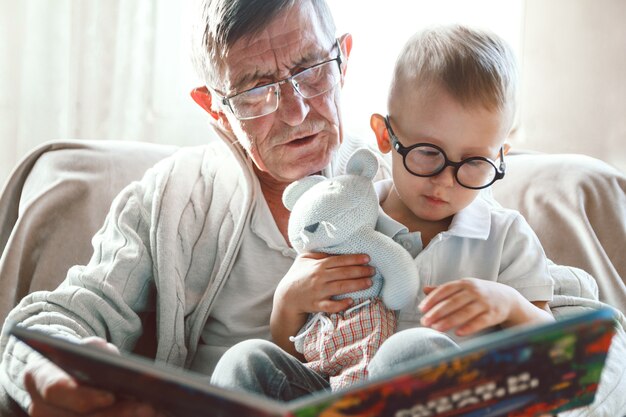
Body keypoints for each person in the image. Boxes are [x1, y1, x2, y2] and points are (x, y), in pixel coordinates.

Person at [0, 0, 375, 415]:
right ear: (213, 106)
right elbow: (48, 322)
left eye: (311, 71)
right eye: (255, 90)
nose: (296, 111)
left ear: (343, 61)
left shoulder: (411, 180)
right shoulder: (172, 199)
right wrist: (49, 373)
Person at [213, 24, 555, 396]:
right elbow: (295, 348)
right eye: (427, 153)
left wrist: (511, 305)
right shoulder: (343, 219)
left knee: (411, 351)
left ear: (499, 156)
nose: (445, 181)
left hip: (440, 400)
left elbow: (554, 351)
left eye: (473, 162)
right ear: (383, 135)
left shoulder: (506, 237)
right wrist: (288, 301)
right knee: (243, 360)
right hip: (336, 394)